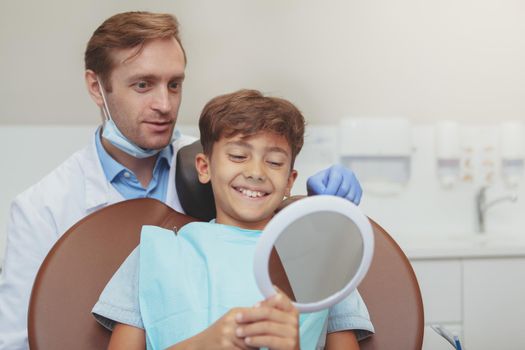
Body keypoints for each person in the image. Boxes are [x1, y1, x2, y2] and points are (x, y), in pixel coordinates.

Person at [0, 12, 363, 350]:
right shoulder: (43, 209)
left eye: (174, 85)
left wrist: (314, 210)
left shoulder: (212, 158)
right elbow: (17, 341)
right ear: (97, 87)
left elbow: (258, 201)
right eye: (143, 85)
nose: (165, 104)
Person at [92, 89, 374, 350]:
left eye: (274, 162)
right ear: (204, 167)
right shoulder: (155, 254)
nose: (256, 172)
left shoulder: (323, 262)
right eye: (239, 155)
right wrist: (204, 345)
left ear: (289, 181)